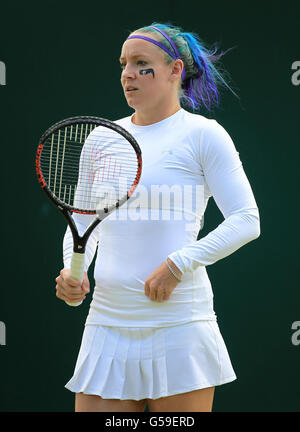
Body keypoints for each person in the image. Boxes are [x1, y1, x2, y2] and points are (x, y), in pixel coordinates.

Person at [55, 22, 260, 412]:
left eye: (141, 63)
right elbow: (81, 222)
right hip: (107, 324)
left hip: (180, 326)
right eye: (123, 64)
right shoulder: (100, 139)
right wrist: (72, 270)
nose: (127, 74)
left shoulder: (204, 135)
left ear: (175, 70)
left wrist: (179, 264)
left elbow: (247, 219)